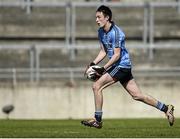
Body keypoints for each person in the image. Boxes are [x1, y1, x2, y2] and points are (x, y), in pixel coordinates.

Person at [81, 5, 175, 129]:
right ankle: (166, 108)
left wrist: (103, 69)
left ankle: (97, 120)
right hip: (119, 66)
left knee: (96, 86)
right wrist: (92, 64)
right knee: (137, 95)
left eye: (99, 17)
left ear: (107, 17)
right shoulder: (101, 32)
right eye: (96, 17)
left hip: (121, 66)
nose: (96, 20)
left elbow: (116, 55)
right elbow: (103, 51)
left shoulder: (116, 33)